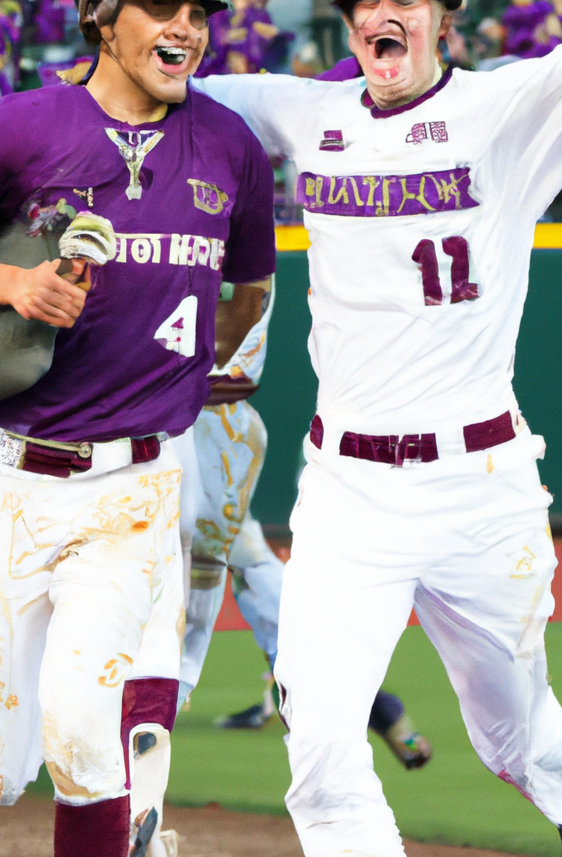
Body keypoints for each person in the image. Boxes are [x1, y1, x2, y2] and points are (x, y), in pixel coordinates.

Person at [193, 0, 562, 856]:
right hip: (346, 490)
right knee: (318, 749)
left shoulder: (502, 113)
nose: (380, 12)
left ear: (446, 16)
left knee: (512, 740)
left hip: (475, 482)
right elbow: (154, 86)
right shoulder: (306, 114)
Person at [0, 0, 276, 857]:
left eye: (197, 10)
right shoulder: (22, 125)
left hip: (137, 482)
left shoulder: (231, 146)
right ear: (100, 16)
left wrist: (177, 381)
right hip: (10, 483)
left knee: (88, 737)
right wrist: (8, 284)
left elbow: (249, 292)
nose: (188, 27)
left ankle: (134, 806)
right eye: (161, 7)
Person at [178, 282, 433, 769]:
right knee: (253, 569)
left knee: (220, 576)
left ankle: (363, 705)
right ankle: (368, 705)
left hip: (199, 435)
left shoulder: (215, 252)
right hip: (191, 441)